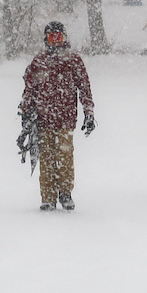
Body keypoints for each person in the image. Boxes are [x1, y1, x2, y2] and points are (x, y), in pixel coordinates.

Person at [18, 21, 95, 211]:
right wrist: (26, 111)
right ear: (46, 39)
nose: (55, 41)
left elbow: (84, 88)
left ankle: (65, 193)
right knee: (46, 159)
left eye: (58, 37)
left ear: (64, 38)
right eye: (52, 37)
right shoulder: (39, 61)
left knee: (65, 157)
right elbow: (29, 89)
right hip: (43, 120)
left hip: (66, 120)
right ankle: (48, 196)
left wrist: (89, 113)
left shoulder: (73, 60)